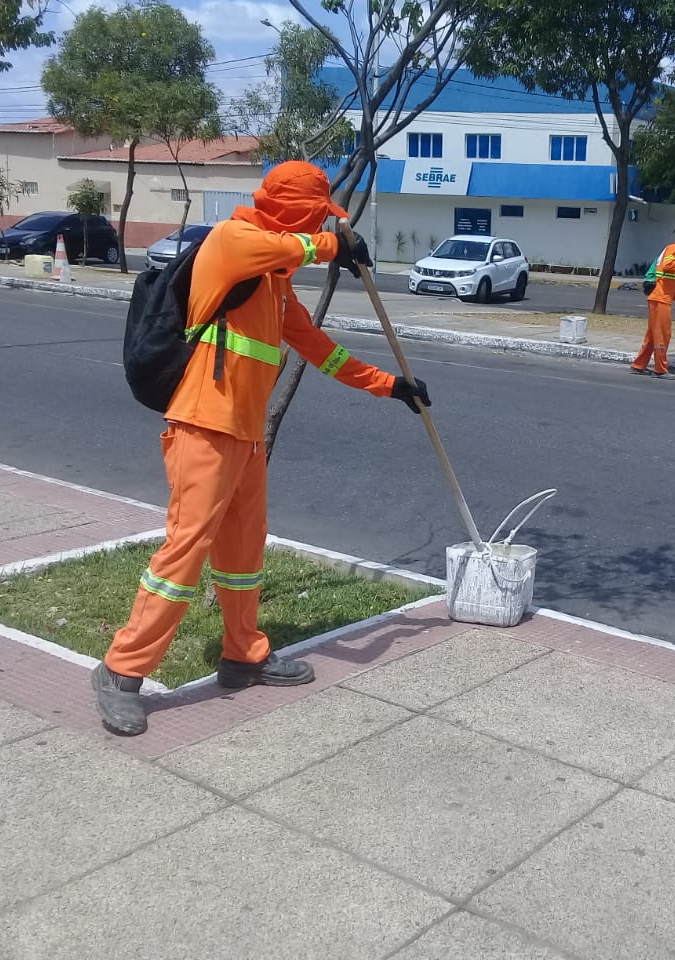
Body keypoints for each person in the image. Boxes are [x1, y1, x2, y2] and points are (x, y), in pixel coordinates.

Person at [92, 160, 431, 736]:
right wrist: (335, 244)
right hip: (203, 426)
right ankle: (121, 671)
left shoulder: (274, 283)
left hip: (245, 437)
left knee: (244, 556)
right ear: (297, 211)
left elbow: (319, 350)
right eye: (318, 214)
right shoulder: (234, 242)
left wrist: (390, 386)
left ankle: (243, 654)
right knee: (183, 558)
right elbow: (298, 246)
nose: (324, 224)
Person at [631, 236, 675, 379]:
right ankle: (660, 369)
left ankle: (639, 365)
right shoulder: (673, 249)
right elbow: (667, 265)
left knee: (653, 336)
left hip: (660, 297)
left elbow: (668, 287)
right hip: (660, 300)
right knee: (662, 335)